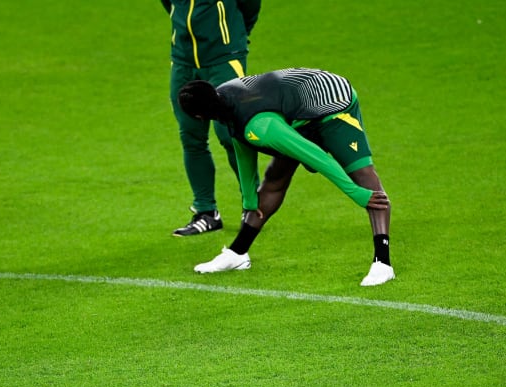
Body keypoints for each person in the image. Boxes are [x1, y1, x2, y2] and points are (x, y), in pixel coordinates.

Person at [179, 68, 394, 287]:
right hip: (294, 116)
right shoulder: (224, 100)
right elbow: (242, 146)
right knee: (274, 179)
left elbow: (316, 156)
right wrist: (249, 201)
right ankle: (238, 253)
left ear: (199, 117)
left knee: (362, 174)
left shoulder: (261, 127)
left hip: (333, 104)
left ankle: (383, 262)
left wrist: (357, 194)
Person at [163, 0, 261, 237]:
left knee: (230, 134)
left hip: (223, 58)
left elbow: (250, 6)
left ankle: (254, 206)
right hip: (183, 61)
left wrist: (233, 37)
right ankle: (206, 212)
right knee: (191, 136)